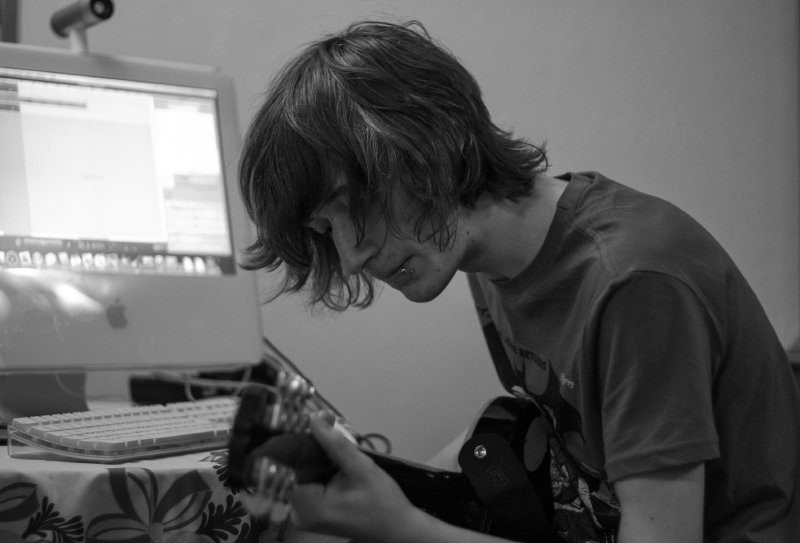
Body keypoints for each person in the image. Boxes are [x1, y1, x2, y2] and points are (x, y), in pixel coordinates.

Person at [235, 19, 800, 543]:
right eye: (326, 232)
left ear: (426, 147)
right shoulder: (488, 261)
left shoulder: (632, 284)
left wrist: (404, 528)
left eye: (350, 208)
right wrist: (401, 486)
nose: (351, 257)